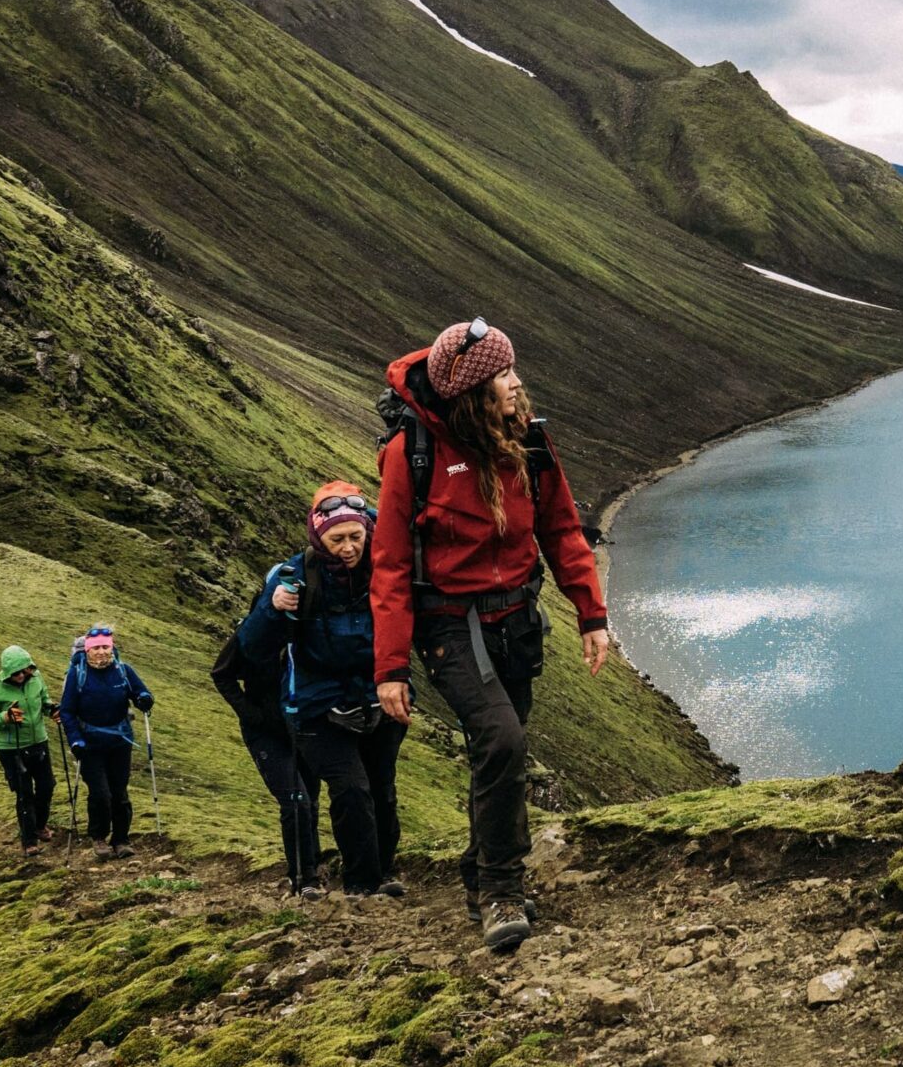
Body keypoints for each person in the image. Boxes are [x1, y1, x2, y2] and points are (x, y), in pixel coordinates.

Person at [372, 319, 611, 952]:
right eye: (504, 375)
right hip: (450, 625)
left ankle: (479, 872)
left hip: (517, 621)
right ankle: (503, 891)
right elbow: (390, 564)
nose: (517, 382)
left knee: (498, 751)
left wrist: (591, 614)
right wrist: (390, 666)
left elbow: (562, 530)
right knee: (501, 740)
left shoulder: (529, 441)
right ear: (475, 391)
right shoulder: (412, 453)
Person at [240, 481, 405, 901]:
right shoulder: (293, 576)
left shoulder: (390, 567)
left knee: (382, 791)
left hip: (379, 698)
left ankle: (384, 872)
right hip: (316, 707)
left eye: (355, 537)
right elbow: (252, 648)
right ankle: (361, 886)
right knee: (351, 789)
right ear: (318, 536)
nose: (348, 548)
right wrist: (271, 608)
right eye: (337, 540)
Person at [212, 604, 325, 898]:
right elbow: (221, 674)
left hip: (305, 727)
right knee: (296, 801)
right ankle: (304, 878)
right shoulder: (250, 634)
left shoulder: (308, 628)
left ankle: (313, 867)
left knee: (310, 800)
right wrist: (252, 715)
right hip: (267, 734)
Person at [59, 625, 154, 860]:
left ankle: (121, 839)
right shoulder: (77, 675)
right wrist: (75, 740)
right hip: (89, 744)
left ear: (111, 648)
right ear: (87, 650)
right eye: (96, 648)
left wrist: (144, 699)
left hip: (120, 741)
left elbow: (141, 693)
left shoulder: (123, 670)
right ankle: (99, 837)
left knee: (119, 791)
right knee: (101, 793)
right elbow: (67, 711)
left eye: (105, 647)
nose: (101, 652)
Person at [0, 646, 58, 853]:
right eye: (16, 673)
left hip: (38, 741)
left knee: (47, 786)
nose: (21, 675)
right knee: (24, 793)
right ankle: (29, 841)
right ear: (7, 672)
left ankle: (40, 825)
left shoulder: (36, 679)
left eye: (25, 670)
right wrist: (5, 717)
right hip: (10, 748)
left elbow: (44, 701)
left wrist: (52, 710)